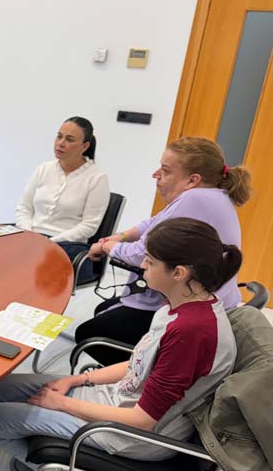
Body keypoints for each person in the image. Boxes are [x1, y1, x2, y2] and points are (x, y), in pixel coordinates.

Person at [0, 217, 240, 471]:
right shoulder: (181, 306)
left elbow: (143, 421)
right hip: (121, 403)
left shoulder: (193, 333)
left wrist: (62, 404)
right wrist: (76, 380)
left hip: (135, 435)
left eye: (150, 261)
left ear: (179, 273)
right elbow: (138, 362)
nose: (142, 266)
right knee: (8, 386)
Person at [75, 136, 251, 365]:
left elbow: (143, 254)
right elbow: (153, 224)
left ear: (192, 180)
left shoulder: (195, 199)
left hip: (192, 314)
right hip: (204, 302)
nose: (156, 174)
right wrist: (119, 237)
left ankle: (143, 374)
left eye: (166, 171)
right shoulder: (211, 195)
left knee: (87, 334)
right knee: (104, 309)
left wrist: (106, 246)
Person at [15, 116, 110, 266]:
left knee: (28, 264)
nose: (60, 143)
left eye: (69, 139)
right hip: (31, 237)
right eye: (59, 137)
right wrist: (28, 233)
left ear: (84, 146)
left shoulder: (97, 178)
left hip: (67, 245)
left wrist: (51, 241)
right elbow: (24, 208)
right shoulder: (43, 169)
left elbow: (89, 226)